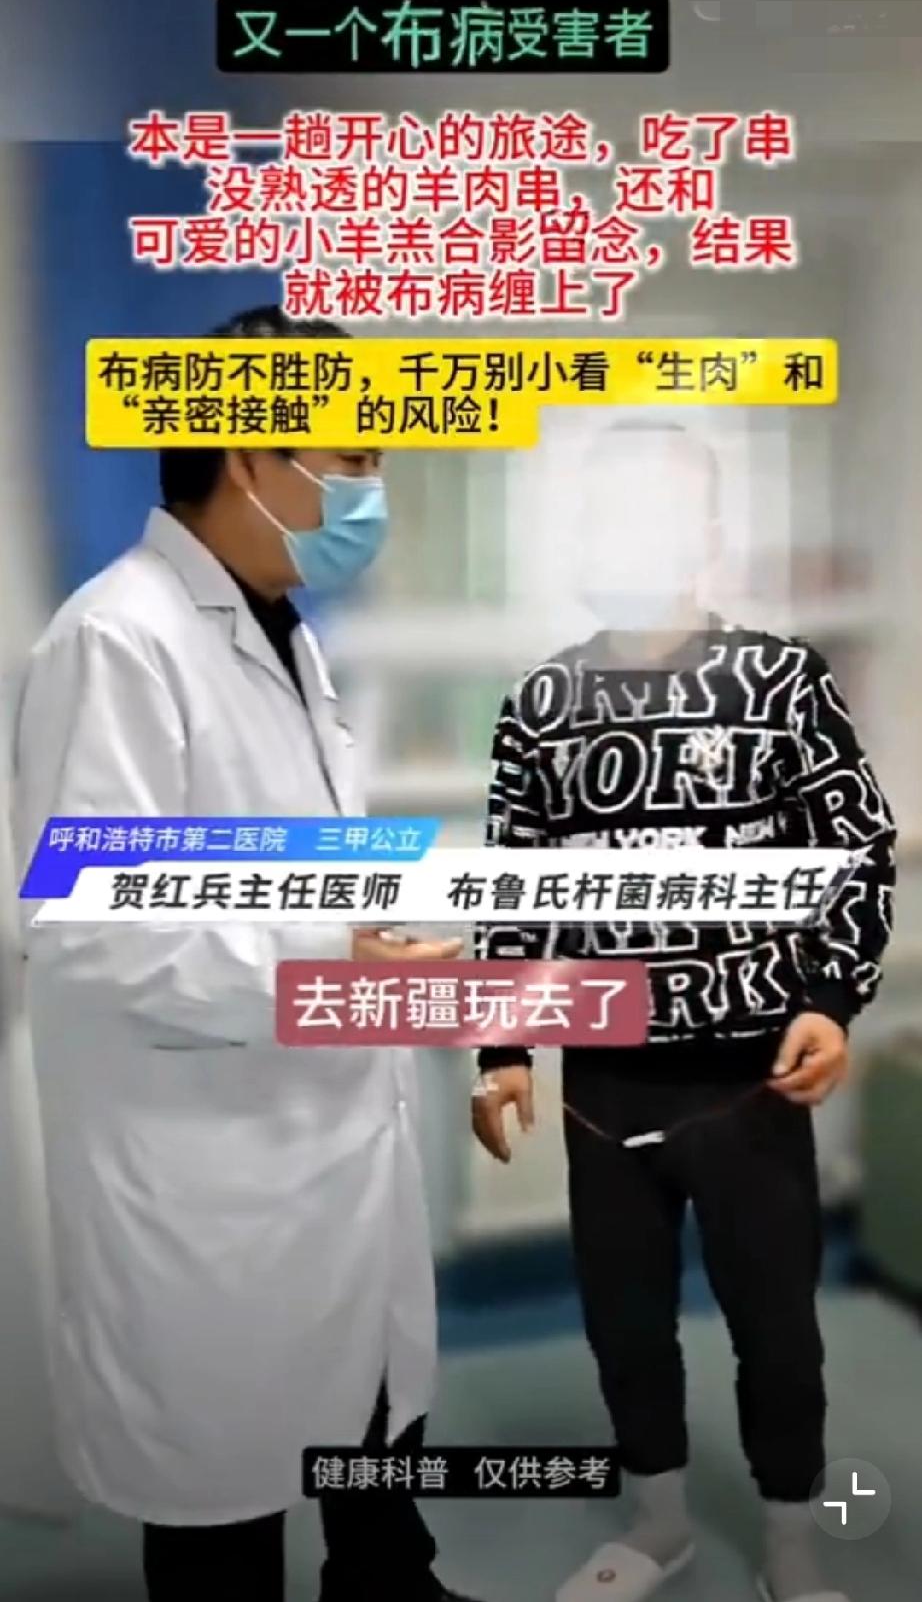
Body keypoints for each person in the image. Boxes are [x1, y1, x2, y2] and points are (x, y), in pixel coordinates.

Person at [12, 305, 483, 1602]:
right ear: (245, 457)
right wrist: (333, 948)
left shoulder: (284, 634)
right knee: (225, 1500)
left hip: (327, 1137)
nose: (371, 491)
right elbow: (89, 929)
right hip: (210, 1169)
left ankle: (388, 1582)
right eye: (352, 459)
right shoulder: (118, 638)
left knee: (370, 1428)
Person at [471, 424, 896, 1602]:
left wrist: (829, 1000)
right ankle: (658, 1522)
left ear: (705, 536)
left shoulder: (778, 680)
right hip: (604, 1075)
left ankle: (793, 1542)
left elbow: (855, 847)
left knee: (778, 1327)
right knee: (624, 1319)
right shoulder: (541, 702)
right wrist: (505, 1046)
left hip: (750, 1073)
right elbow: (515, 885)